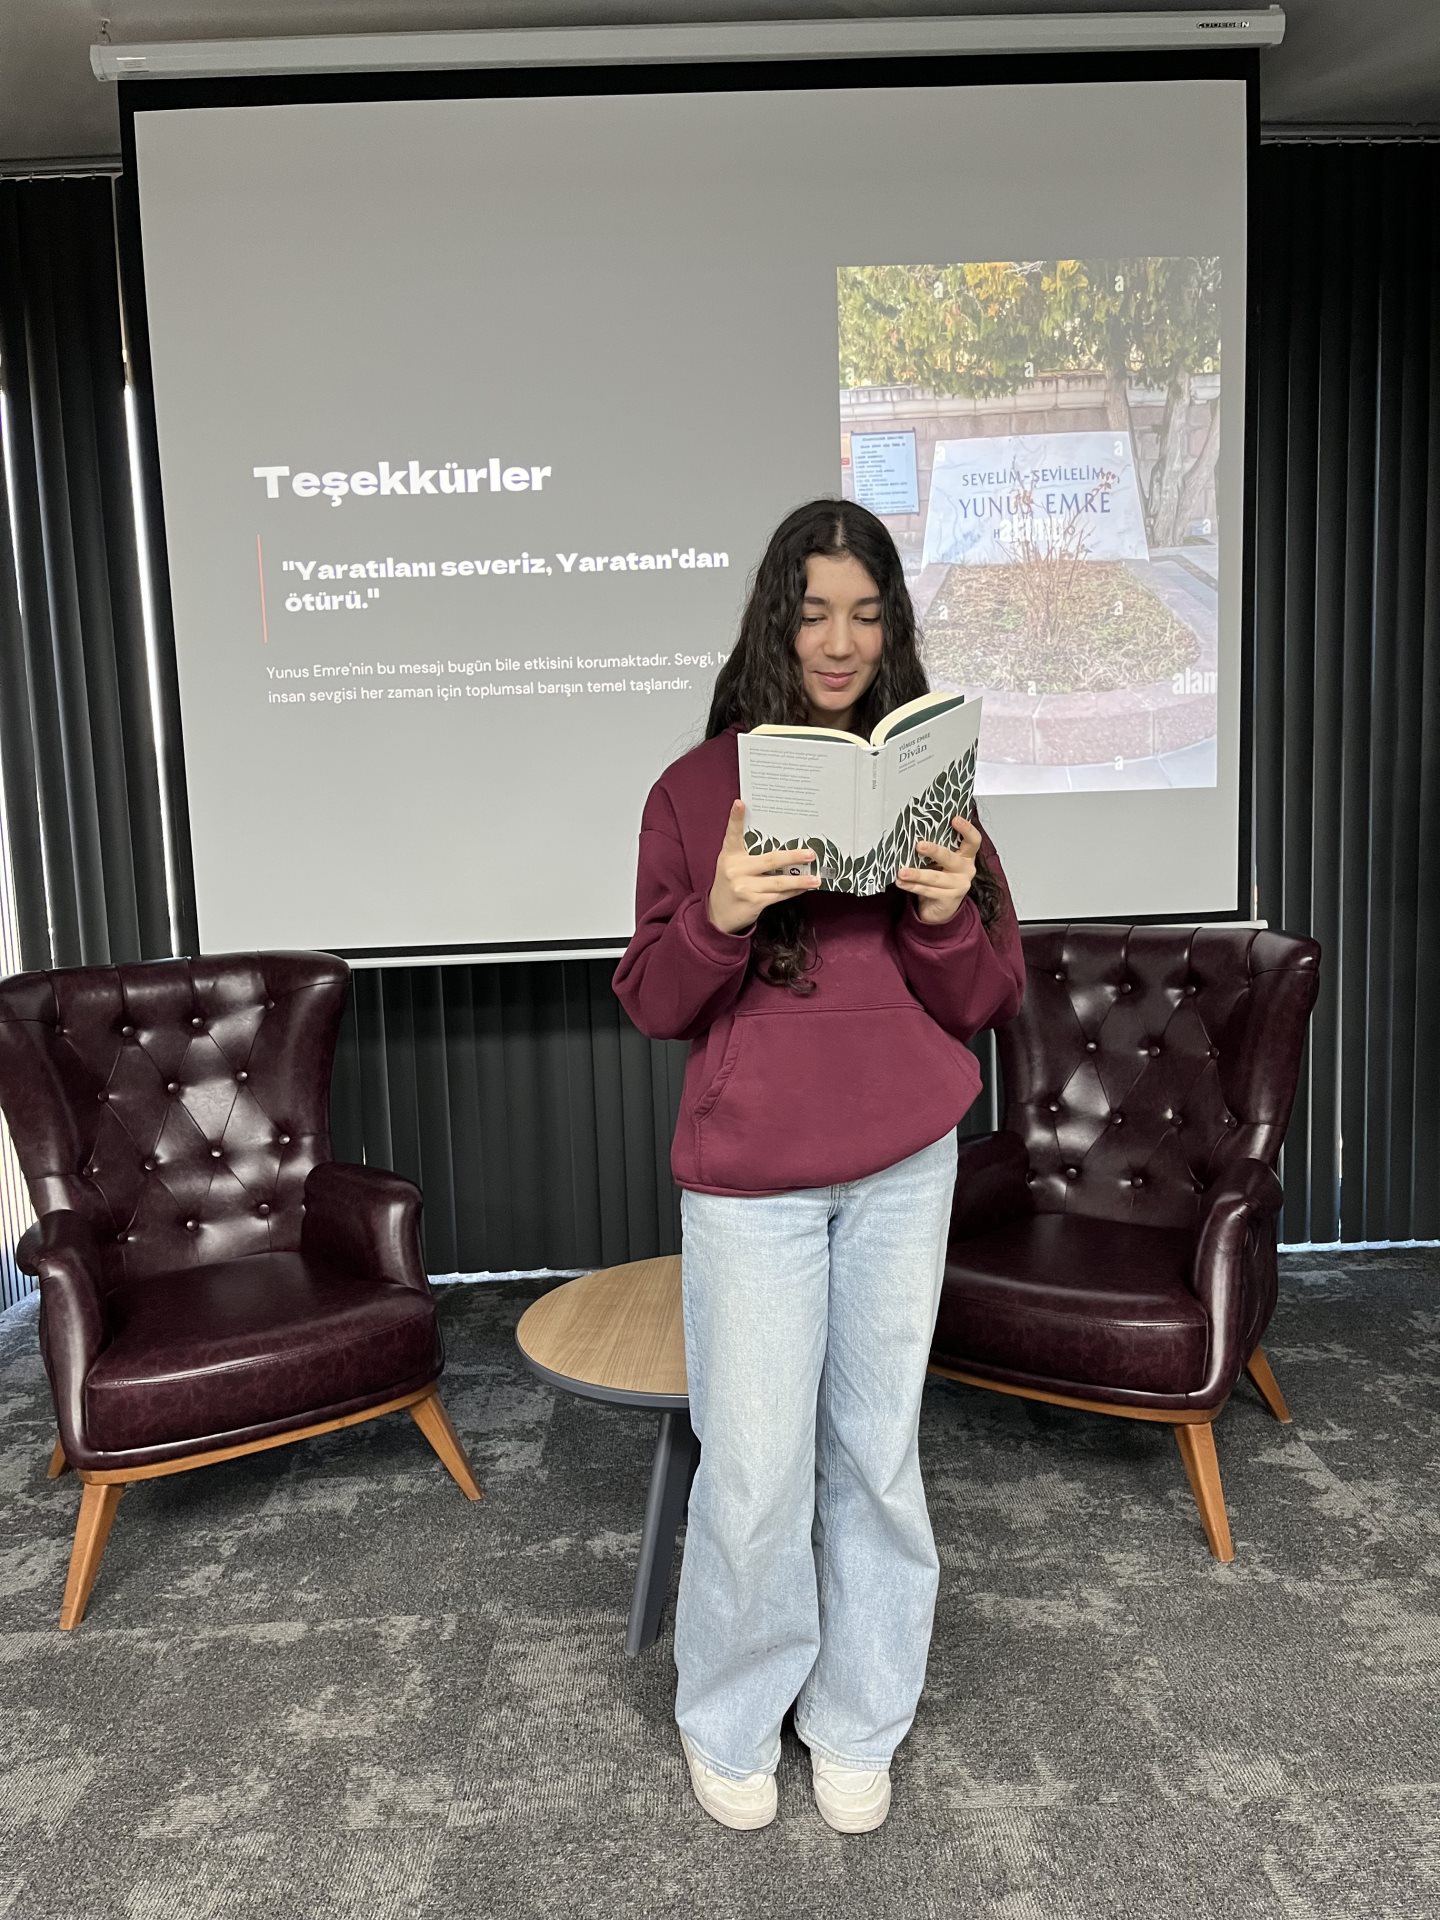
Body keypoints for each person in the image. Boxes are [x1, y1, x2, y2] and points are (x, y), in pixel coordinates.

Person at [612, 498, 1025, 1834]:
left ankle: (860, 1716)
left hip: (906, 1161)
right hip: (754, 1182)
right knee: (751, 1472)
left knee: (877, 1458)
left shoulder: (928, 779)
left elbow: (988, 995)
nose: (840, 642)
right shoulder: (693, 791)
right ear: (772, 624)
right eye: (813, 614)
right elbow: (653, 1001)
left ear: (891, 628)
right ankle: (733, 1718)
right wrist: (723, 911)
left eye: (866, 614)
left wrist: (948, 915)